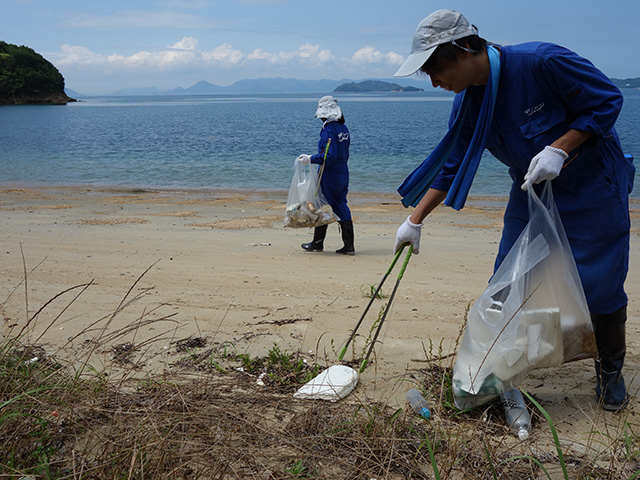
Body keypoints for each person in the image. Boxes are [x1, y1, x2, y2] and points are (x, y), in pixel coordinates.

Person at [393, 9, 634, 411]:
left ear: (466, 48)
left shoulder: (542, 62)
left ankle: (609, 370)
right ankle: (503, 366)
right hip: (531, 191)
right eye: (428, 75)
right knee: (508, 282)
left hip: (593, 186)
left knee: (600, 282)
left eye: (437, 68)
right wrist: (414, 220)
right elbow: (452, 164)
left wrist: (561, 147)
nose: (436, 82)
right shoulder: (469, 104)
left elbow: (608, 100)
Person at [297, 95, 355, 255]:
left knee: (322, 206)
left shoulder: (328, 131)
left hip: (330, 175)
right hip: (343, 172)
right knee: (341, 205)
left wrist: (310, 159)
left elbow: (329, 157)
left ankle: (317, 243)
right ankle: (349, 245)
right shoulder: (344, 129)